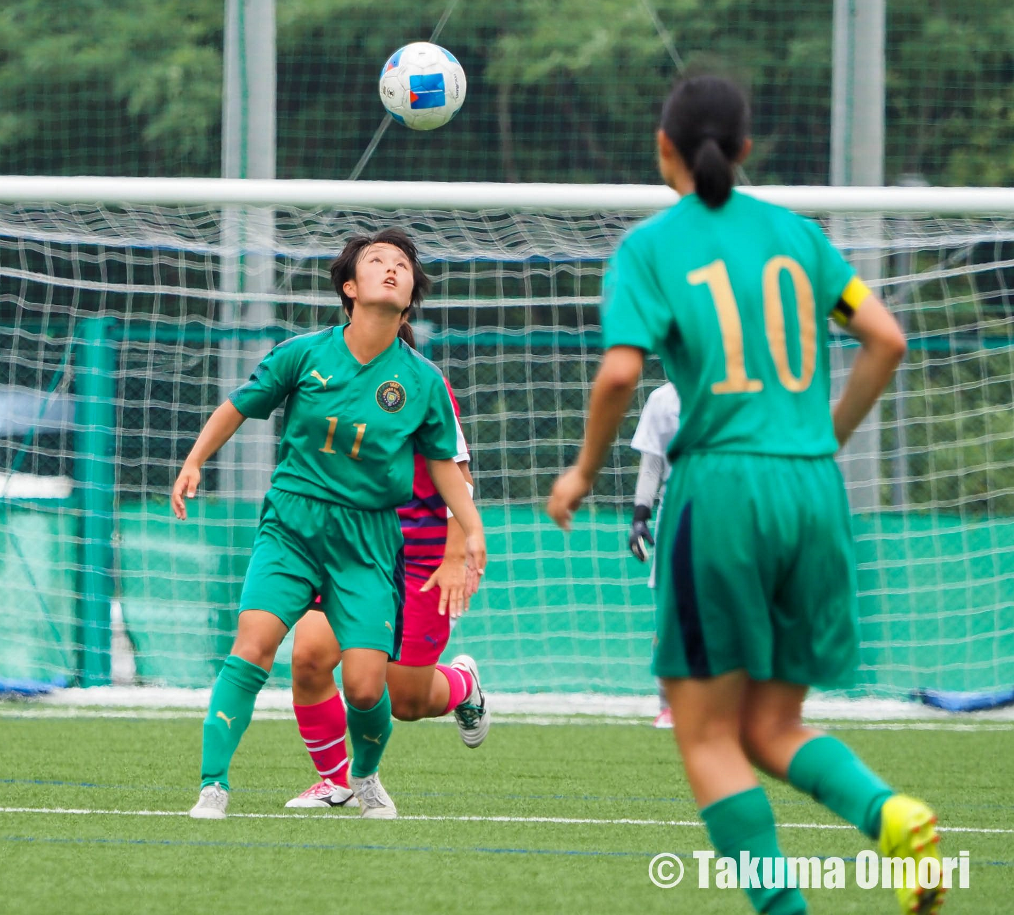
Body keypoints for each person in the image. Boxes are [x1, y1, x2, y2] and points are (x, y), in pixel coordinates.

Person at [545, 76, 941, 915]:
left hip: (721, 490)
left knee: (706, 737)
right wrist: (827, 435)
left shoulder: (651, 248)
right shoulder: (799, 237)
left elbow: (621, 371)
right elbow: (886, 338)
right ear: (748, 149)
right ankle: (893, 815)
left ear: (663, 148)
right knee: (770, 728)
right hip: (812, 491)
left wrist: (581, 472)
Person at [172, 228, 487, 821]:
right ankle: (214, 787)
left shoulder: (421, 380)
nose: (392, 269)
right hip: (291, 527)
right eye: (377, 262)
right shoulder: (304, 353)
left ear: (413, 290)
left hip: (368, 541)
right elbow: (240, 403)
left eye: (402, 265)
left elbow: (448, 466)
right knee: (257, 647)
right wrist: (194, 460)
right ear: (349, 286)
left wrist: (470, 531)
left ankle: (364, 777)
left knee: (373, 690)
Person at [285, 335, 487, 813]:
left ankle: (462, 685)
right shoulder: (324, 374)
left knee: (407, 702)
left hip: (419, 555)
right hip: (351, 545)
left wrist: (456, 556)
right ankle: (337, 781)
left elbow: (459, 473)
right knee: (310, 657)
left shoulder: (422, 380)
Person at [629, 381, 680, 729]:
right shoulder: (663, 398)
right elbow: (652, 465)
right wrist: (639, 515)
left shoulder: (743, 386)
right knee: (671, 612)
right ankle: (669, 704)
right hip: (679, 511)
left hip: (734, 510)